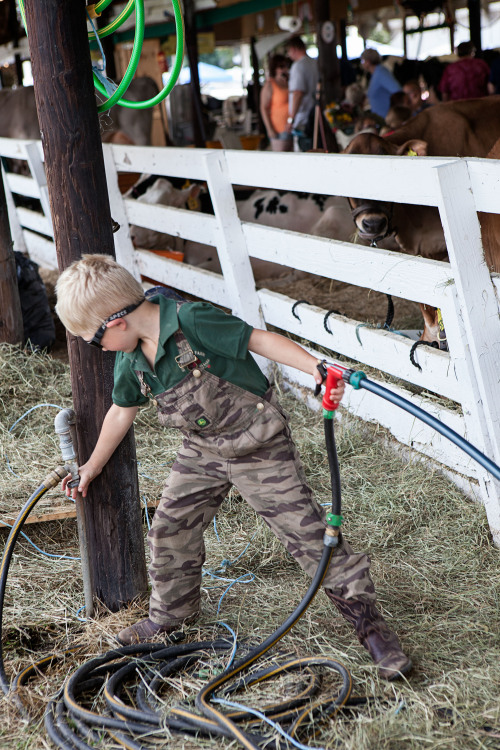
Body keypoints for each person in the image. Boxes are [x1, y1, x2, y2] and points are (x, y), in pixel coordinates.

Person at [56, 254, 412, 680]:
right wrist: (92, 465)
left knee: (308, 535)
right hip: (203, 448)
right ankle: (170, 617)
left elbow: (259, 340)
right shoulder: (131, 359)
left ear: (116, 322)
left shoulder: (193, 321)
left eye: (92, 340)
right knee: (169, 529)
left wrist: (317, 367)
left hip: (257, 443)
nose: (96, 349)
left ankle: (371, 629)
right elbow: (120, 411)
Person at [285, 35, 319, 151]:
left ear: (293, 49)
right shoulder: (313, 63)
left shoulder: (298, 66)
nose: (289, 55)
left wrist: (291, 119)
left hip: (302, 118)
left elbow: (298, 93)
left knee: (302, 152)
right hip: (314, 113)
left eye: (289, 51)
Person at [259, 53, 293, 152]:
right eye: (281, 66)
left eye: (285, 66)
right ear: (275, 68)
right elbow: (263, 108)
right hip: (278, 128)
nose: (284, 69)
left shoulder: (288, 82)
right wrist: (269, 129)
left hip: (291, 127)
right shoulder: (270, 85)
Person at [360, 48, 402, 119]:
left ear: (368, 61)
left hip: (387, 119)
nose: (362, 63)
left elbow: (397, 90)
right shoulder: (375, 73)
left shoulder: (380, 72)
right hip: (381, 118)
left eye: (363, 60)